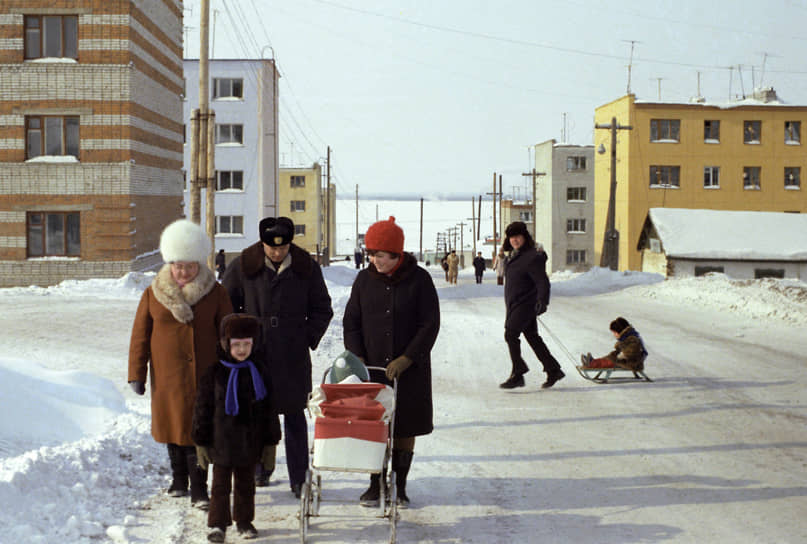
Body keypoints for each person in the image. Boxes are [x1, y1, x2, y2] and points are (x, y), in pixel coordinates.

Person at [221, 216, 333, 498]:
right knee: (258, 413)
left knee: (295, 416)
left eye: (282, 248)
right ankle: (260, 469)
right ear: (263, 243)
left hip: (292, 356)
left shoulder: (306, 267)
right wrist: (239, 342)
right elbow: (226, 307)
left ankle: (299, 477)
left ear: (289, 244)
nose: (277, 252)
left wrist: (306, 336)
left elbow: (322, 308)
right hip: (256, 355)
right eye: (271, 247)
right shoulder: (244, 266)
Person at [128, 219, 233, 510]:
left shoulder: (216, 292)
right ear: (169, 264)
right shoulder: (153, 293)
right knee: (172, 429)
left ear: (199, 263)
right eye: (178, 266)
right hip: (168, 378)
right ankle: (178, 480)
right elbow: (140, 336)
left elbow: (229, 334)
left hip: (205, 375)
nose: (183, 272)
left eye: (189, 266)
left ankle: (200, 488)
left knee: (200, 431)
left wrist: (231, 374)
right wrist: (136, 374)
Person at [343, 216, 440, 508]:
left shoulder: (419, 280)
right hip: (372, 369)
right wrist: (357, 356)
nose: (375, 261)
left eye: (382, 255)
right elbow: (351, 322)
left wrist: (408, 357)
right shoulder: (363, 280)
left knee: (404, 427)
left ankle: (399, 483)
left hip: (409, 371)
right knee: (373, 426)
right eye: (372, 254)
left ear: (397, 254)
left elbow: (429, 324)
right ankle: (374, 483)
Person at [192, 314, 281, 543]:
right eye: (236, 344)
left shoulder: (260, 373)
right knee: (220, 487)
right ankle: (217, 525)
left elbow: (270, 410)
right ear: (225, 344)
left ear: (254, 344)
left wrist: (271, 442)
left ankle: (244, 521)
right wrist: (200, 441)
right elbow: (202, 409)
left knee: (245, 485)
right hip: (221, 443)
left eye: (246, 344)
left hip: (249, 443)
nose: (241, 349)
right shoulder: (213, 374)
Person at [499, 221, 565, 390]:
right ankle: (553, 369)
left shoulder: (531, 257)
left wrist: (543, 301)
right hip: (514, 304)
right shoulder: (514, 256)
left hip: (525, 304)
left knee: (511, 334)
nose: (515, 240)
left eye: (518, 237)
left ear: (524, 237)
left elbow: (542, 281)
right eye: (512, 237)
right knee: (532, 337)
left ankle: (518, 372)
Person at [581, 317, 648, 370]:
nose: (614, 335)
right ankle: (593, 361)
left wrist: (621, 355)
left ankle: (592, 364)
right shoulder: (627, 337)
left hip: (632, 362)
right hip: (625, 359)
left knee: (609, 361)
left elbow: (632, 352)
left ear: (620, 331)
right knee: (608, 357)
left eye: (614, 332)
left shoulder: (633, 339)